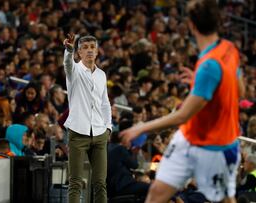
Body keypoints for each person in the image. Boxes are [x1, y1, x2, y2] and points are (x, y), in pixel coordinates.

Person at [120, 0, 245, 202]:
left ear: (191, 25)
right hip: (188, 139)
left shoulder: (208, 67)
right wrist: (200, 83)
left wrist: (140, 128)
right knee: (156, 194)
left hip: (217, 148)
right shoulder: (229, 49)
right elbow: (240, 90)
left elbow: (182, 115)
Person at [63, 34, 112, 203]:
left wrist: (108, 127)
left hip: (100, 134)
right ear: (79, 53)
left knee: (100, 183)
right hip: (77, 132)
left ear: (97, 51)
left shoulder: (101, 75)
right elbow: (67, 64)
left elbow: (105, 103)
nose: (89, 50)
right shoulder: (74, 70)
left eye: (92, 47)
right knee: (75, 182)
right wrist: (68, 51)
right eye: (85, 47)